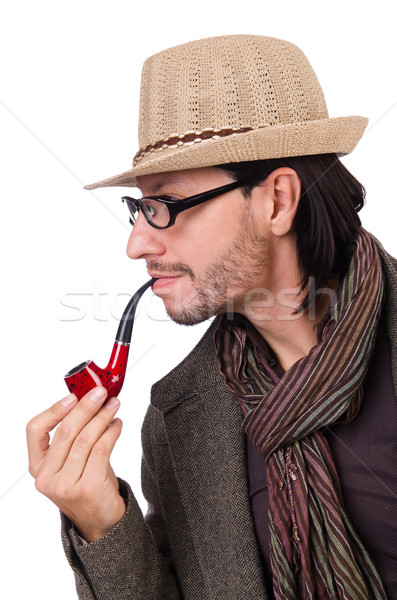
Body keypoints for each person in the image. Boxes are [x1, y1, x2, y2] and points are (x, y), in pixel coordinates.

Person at [26, 35, 397, 599]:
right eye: (139, 207)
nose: (136, 244)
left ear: (276, 200)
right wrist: (101, 523)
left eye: (165, 206)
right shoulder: (181, 418)